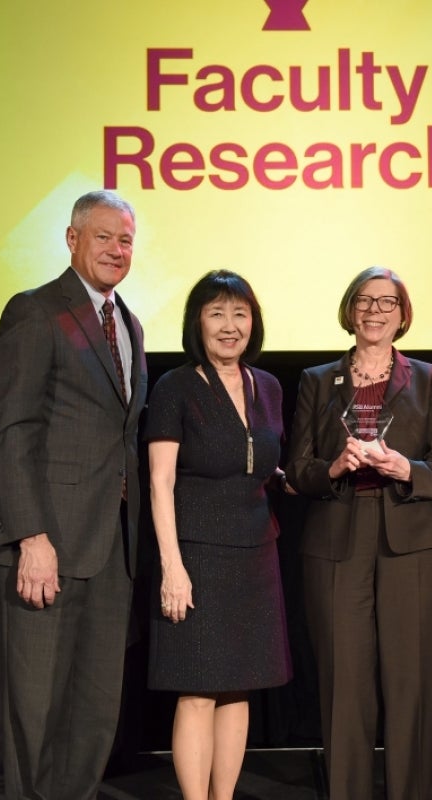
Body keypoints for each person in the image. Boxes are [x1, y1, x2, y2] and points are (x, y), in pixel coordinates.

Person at [0, 189, 146, 800]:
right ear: (72, 239)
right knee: (36, 710)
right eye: (103, 236)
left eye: (125, 240)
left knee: (94, 711)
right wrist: (31, 536)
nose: (116, 249)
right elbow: (9, 431)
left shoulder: (128, 322)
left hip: (111, 552)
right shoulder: (36, 311)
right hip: (48, 544)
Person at [286, 266, 432, 800]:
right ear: (349, 310)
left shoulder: (429, 379)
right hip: (336, 539)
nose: (375, 311)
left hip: (412, 540)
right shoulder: (316, 380)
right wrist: (334, 467)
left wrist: (403, 467)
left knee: (411, 683)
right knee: (344, 683)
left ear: (403, 314)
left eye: (387, 302)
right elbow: (297, 469)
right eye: (364, 300)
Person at [145, 270, 292, 800]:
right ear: (197, 323)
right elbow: (160, 481)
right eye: (217, 314)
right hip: (197, 555)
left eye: (240, 314)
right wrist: (172, 566)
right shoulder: (176, 387)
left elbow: (263, 465)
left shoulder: (268, 387)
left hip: (257, 552)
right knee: (199, 689)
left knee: (238, 687)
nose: (230, 326)